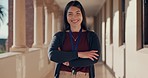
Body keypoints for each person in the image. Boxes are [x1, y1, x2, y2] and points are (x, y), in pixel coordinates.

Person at [48, 1, 101, 78]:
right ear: (66, 17)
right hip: (63, 75)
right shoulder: (59, 36)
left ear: (82, 15)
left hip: (84, 75)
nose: (74, 17)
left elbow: (94, 58)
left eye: (77, 13)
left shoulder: (92, 36)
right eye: (70, 14)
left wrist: (69, 62)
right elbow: (52, 55)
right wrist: (80, 54)